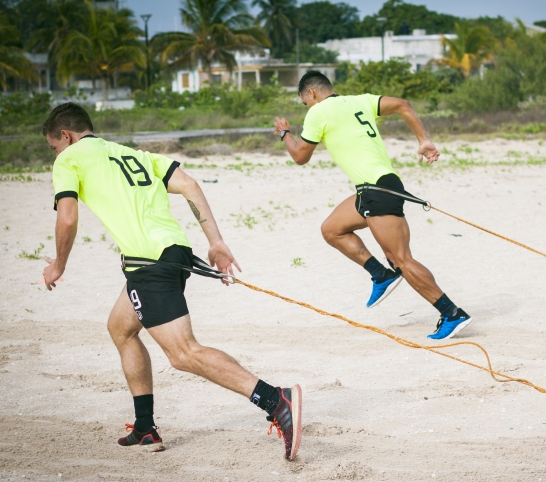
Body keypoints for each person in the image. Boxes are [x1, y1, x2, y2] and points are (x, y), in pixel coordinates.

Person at [41, 103, 301, 460]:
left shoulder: (68, 160)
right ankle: (145, 428)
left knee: (182, 353)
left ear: (65, 136)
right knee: (120, 328)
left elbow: (67, 219)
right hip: (173, 253)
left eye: (54, 146)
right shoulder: (133, 154)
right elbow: (190, 185)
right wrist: (216, 241)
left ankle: (275, 399)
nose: (55, 153)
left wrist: (58, 265)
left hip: (148, 263)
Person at [273, 71, 472, 340]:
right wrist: (423, 140)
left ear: (311, 93)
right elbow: (403, 104)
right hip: (374, 187)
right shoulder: (361, 101)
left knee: (401, 260)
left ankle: (451, 313)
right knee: (332, 229)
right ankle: (380, 275)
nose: (306, 107)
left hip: (377, 190)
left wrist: (285, 133)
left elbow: (299, 156)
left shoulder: (318, 112)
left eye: (304, 102)